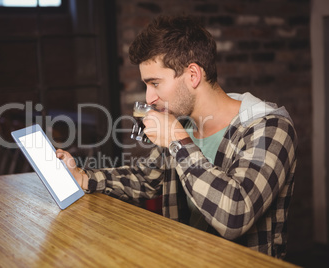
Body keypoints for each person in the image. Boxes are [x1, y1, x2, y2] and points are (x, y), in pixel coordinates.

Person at [56, 15, 297, 259]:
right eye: (146, 85)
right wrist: (84, 178)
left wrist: (177, 139)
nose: (149, 98)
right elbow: (148, 178)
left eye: (155, 83)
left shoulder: (269, 127)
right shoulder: (182, 122)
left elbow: (235, 214)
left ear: (193, 74)